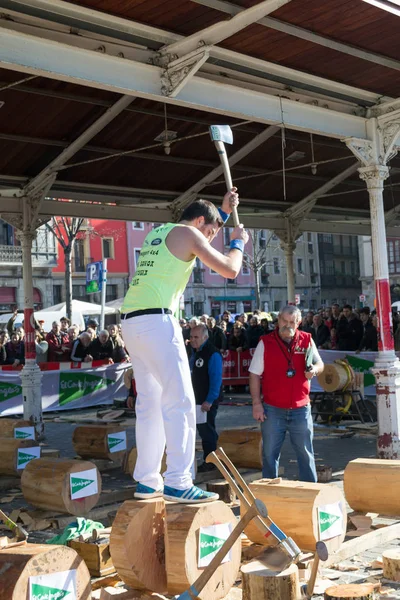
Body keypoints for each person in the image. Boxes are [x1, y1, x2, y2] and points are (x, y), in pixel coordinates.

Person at [120, 189, 248, 503]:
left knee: (149, 405)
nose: (210, 238)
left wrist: (224, 212)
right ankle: (178, 479)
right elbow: (231, 269)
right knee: (180, 401)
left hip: (131, 321)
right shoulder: (191, 234)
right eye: (211, 232)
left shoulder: (161, 232)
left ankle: (148, 481)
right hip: (157, 321)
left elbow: (206, 225)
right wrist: (237, 241)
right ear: (200, 222)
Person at [249, 305, 324, 482]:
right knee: (269, 455)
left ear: (298, 323)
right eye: (284, 320)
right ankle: (269, 493)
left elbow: (321, 365)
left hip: (301, 409)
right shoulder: (265, 342)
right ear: (278, 320)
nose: (287, 325)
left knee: (306, 455)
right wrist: (256, 404)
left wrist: (313, 370)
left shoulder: (307, 340)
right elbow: (254, 374)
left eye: (292, 322)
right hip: (272, 410)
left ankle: (309, 494)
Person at [190, 323, 223, 473]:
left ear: (205, 337)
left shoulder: (212, 353)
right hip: (196, 400)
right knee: (203, 430)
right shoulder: (195, 352)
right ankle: (210, 459)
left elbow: (216, 379)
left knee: (207, 432)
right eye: (191, 337)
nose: (192, 340)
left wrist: (209, 400)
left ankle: (211, 462)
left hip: (206, 402)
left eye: (196, 337)